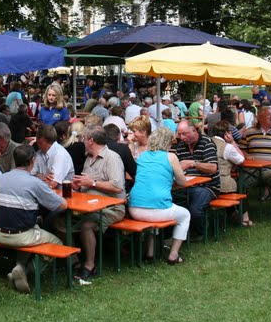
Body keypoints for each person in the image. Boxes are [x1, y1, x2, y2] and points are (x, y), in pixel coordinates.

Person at [0, 143, 66, 294]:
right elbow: (62, 206)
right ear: (33, 160)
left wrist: (0, 220)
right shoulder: (34, 183)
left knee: (33, 230)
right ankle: (25, 270)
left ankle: (18, 269)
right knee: (57, 243)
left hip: (0, 234)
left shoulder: (2, 178)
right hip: (23, 234)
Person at [64, 126, 126, 281]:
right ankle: (73, 260)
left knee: (87, 225)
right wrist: (79, 185)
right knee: (60, 219)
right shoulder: (89, 158)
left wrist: (91, 182)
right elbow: (89, 185)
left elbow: (117, 187)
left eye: (84, 138)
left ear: (91, 141)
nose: (82, 141)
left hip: (112, 208)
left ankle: (90, 265)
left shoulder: (112, 158)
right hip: (89, 206)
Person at [128, 127, 190, 264]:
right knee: (185, 215)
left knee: (152, 219)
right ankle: (173, 255)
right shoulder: (171, 157)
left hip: (134, 208)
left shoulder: (143, 155)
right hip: (158, 209)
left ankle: (150, 253)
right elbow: (183, 182)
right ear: (168, 142)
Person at [239, 106, 271, 226]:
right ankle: (242, 213)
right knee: (239, 183)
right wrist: (246, 155)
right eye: (269, 115)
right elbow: (240, 150)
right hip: (252, 171)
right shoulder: (249, 133)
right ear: (260, 117)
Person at [171, 120, 220, 238]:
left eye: (184, 134)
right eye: (179, 134)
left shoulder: (206, 143)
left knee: (195, 210)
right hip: (185, 185)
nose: (181, 137)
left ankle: (201, 232)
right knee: (166, 201)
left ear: (194, 130)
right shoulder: (180, 146)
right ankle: (171, 234)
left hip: (208, 186)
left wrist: (193, 163)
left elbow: (213, 168)